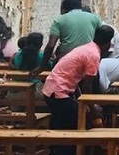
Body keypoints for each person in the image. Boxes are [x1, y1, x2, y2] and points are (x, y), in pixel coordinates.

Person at [41, 25, 114, 155]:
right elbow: (87, 86)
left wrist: (86, 105)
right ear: (108, 44)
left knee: (61, 122)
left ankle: (56, 150)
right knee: (77, 124)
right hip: (58, 92)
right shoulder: (94, 55)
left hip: (51, 89)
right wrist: (93, 109)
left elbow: (77, 82)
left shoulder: (86, 48)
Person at [33, 0, 101, 76]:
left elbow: (51, 45)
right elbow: (102, 36)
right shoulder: (95, 18)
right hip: (89, 59)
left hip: (67, 60)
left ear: (64, 9)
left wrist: (42, 66)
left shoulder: (59, 20)